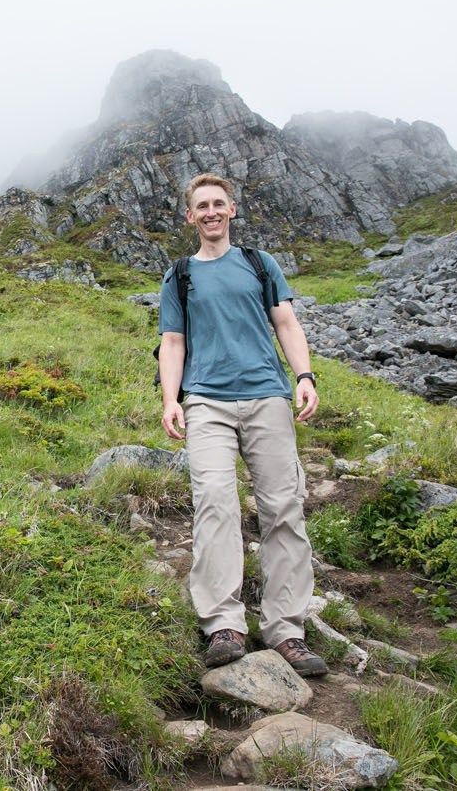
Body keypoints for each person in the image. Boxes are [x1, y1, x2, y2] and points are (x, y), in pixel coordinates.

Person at [157, 173, 326, 676]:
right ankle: (223, 625)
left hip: (267, 398)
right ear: (190, 217)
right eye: (201, 206)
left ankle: (287, 630)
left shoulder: (260, 263)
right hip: (206, 402)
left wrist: (304, 375)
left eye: (218, 204)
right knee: (214, 504)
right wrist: (172, 398)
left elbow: (287, 323)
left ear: (232, 210)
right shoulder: (180, 274)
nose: (210, 212)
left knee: (283, 510)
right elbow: (173, 343)